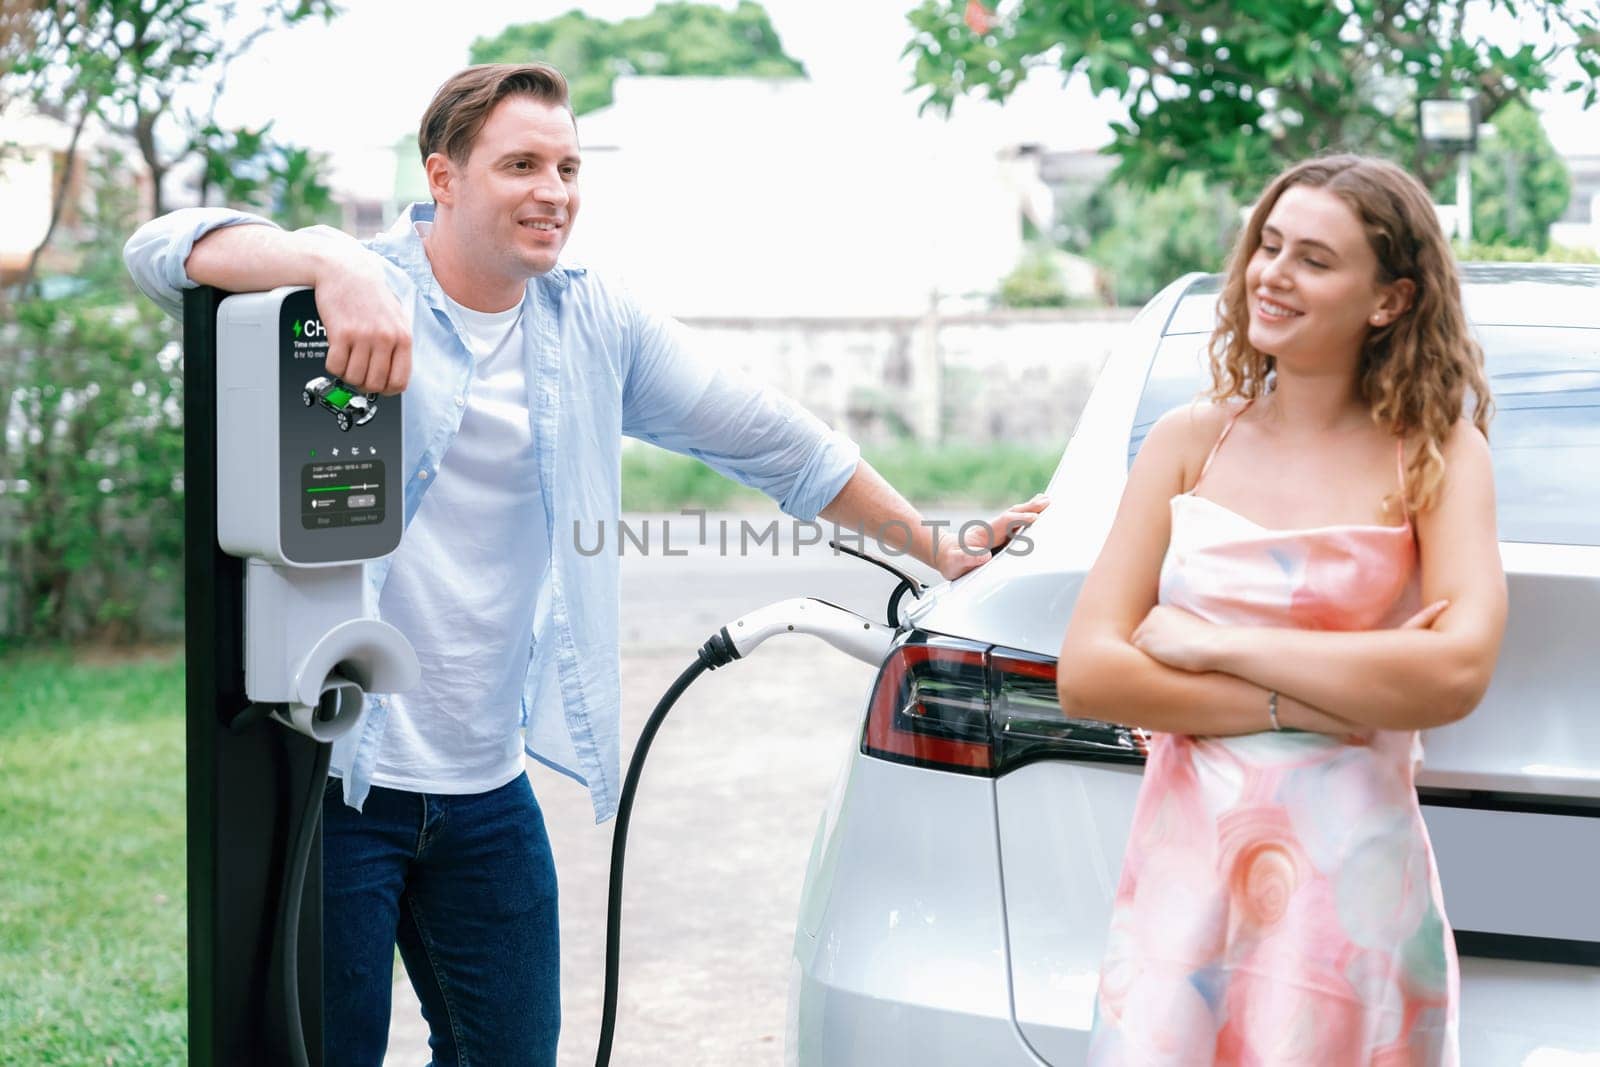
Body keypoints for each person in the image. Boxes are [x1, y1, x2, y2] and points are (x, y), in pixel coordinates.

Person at [124, 63, 1046, 1066]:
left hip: (486, 786)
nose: (553, 190)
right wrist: (328, 260)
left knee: (513, 1053)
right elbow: (157, 248)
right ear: (443, 176)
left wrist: (936, 546)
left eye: (566, 166)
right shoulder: (364, 287)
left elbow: (777, 441)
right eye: (520, 163)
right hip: (345, 777)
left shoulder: (592, 322)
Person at [1056, 154, 1507, 1065]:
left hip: (1351, 905)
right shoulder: (1189, 443)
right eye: (1269, 245)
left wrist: (1208, 645)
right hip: (1185, 900)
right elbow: (1090, 673)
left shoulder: (1437, 454)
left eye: (1314, 258)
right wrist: (1335, 699)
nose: (1273, 273)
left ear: (1389, 299)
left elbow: (1454, 673)